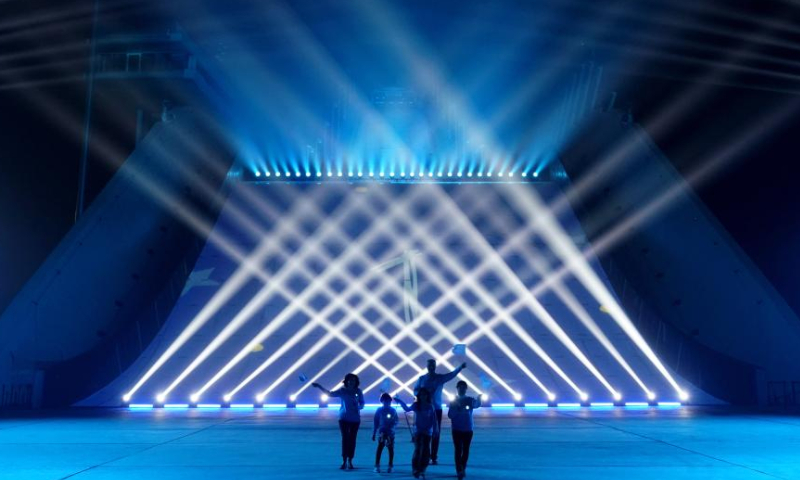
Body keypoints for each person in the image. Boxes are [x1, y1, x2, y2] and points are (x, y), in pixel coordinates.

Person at [414, 359, 467, 464]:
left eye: (433, 365)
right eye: (429, 365)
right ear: (427, 366)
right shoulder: (422, 379)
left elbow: (451, 375)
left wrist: (460, 368)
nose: (431, 367)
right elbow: (415, 390)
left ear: (435, 366)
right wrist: (422, 395)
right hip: (425, 408)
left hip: (437, 408)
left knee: (436, 432)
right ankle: (425, 455)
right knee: (424, 432)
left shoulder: (440, 378)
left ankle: (433, 456)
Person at [313, 373, 365, 470]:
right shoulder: (342, 391)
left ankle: (350, 460)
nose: (351, 382)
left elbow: (362, 403)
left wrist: (359, 407)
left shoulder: (358, 391)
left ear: (356, 382)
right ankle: (344, 460)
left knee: (352, 440)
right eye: (349, 380)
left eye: (353, 380)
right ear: (346, 381)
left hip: (355, 419)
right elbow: (329, 394)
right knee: (345, 439)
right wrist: (319, 386)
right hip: (344, 418)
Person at [394, 388, 439, 479]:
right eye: (421, 394)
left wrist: (435, 430)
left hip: (427, 432)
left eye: (424, 394)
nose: (423, 396)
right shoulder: (416, 405)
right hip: (418, 431)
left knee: (426, 451)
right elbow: (407, 409)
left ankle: (422, 469)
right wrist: (400, 401)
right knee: (418, 450)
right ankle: (415, 469)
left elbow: (434, 420)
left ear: (427, 396)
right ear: (419, 396)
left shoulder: (430, 406)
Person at [447, 380, 482, 479]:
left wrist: (479, 399)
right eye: (460, 387)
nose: (461, 389)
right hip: (457, 429)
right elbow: (450, 415)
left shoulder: (470, 400)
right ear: (457, 388)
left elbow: (477, 405)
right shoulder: (453, 401)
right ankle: (459, 470)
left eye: (463, 387)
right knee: (458, 450)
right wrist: (456, 409)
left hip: (467, 429)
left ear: (466, 389)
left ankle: (462, 468)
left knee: (465, 449)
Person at [372, 392, 399, 473]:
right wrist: (374, 433)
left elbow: (396, 421)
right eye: (385, 401)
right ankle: (377, 465)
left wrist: (393, 424)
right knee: (380, 448)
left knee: (390, 449)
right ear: (382, 401)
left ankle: (390, 466)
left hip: (390, 432)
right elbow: (376, 422)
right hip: (382, 432)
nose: (387, 402)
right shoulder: (379, 410)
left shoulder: (393, 410)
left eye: (388, 401)